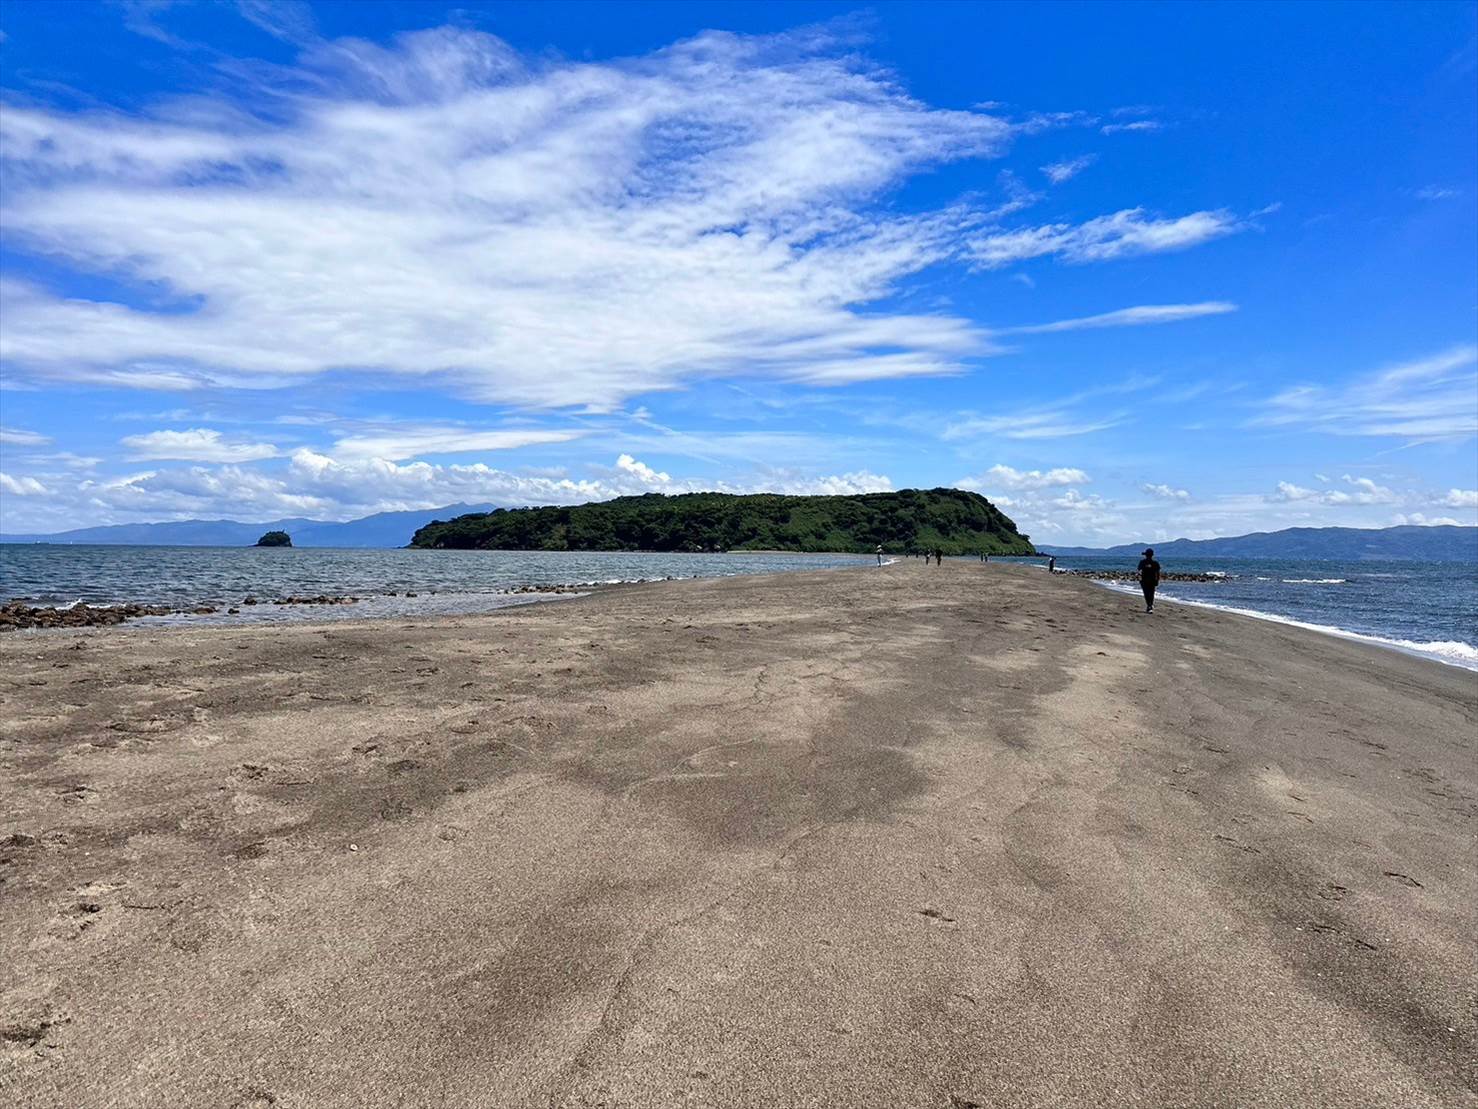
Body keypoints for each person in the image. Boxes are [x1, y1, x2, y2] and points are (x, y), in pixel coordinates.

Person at [1137, 547, 1161, 612]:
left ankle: (1149, 606)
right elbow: (1158, 572)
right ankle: (1150, 605)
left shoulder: (1143, 562)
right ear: (1152, 555)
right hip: (1151, 580)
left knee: (1147, 593)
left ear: (1146, 555)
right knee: (1151, 593)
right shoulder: (1155, 563)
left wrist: (1139, 579)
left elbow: (1139, 571)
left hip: (1145, 580)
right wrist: (1157, 580)